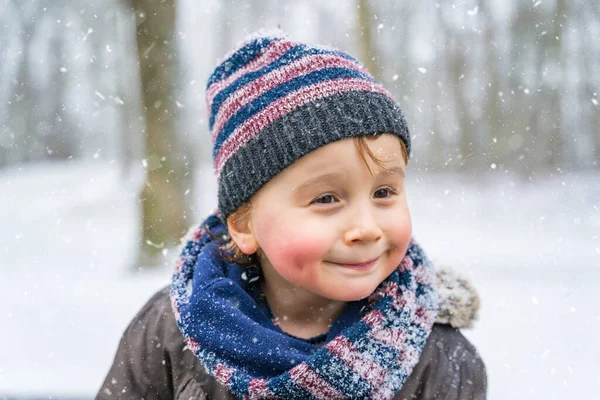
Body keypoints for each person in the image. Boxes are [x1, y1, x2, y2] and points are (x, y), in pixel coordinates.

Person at [97, 31, 486, 400]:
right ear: (244, 224)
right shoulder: (172, 333)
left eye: (384, 192)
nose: (366, 228)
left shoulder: (438, 358)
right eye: (327, 198)